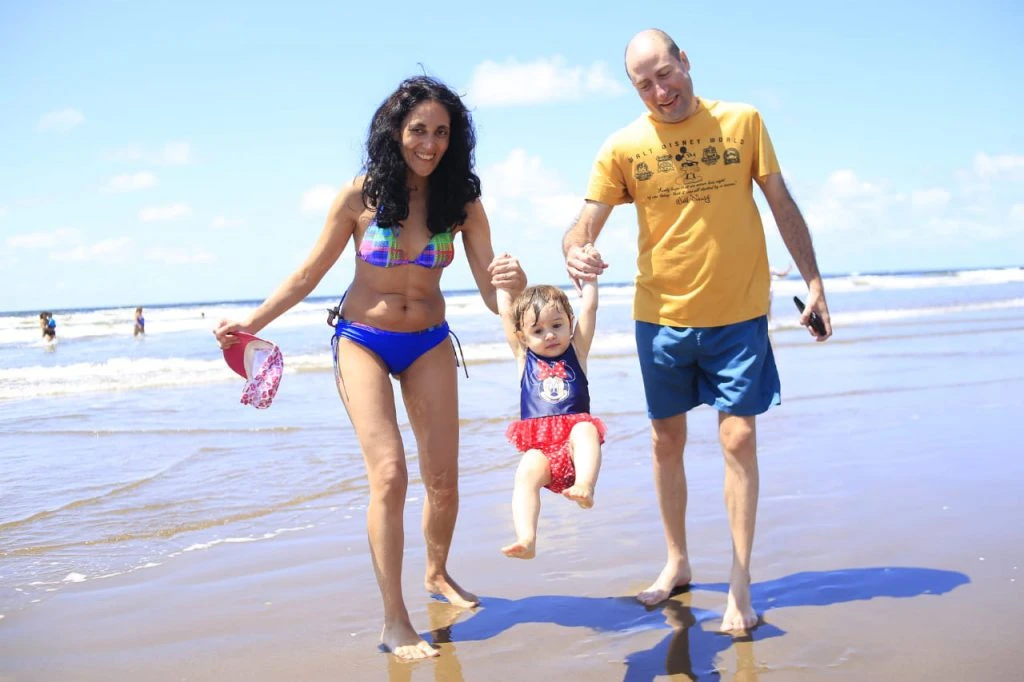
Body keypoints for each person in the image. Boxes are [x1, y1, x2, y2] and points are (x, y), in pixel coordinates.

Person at [213, 76, 526, 660]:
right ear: (394, 132)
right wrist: (250, 323)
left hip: (430, 341)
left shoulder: (462, 201)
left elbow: (493, 293)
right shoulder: (360, 196)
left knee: (444, 484)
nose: (429, 144)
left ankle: (436, 573)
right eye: (418, 131)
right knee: (388, 475)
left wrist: (516, 285)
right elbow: (307, 276)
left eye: (440, 132)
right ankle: (394, 620)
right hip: (362, 340)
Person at [563, 29, 832, 633]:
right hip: (660, 319)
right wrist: (577, 251)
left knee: (737, 439)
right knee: (666, 442)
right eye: (645, 83)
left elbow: (781, 204)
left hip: (738, 315)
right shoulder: (623, 146)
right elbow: (581, 228)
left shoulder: (743, 123)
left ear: (686, 61)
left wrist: (814, 281)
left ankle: (739, 585)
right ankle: (677, 560)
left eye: (666, 72)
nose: (661, 90)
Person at [497, 273, 606, 559]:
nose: (549, 335)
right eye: (538, 330)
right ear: (523, 337)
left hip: (575, 452)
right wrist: (501, 287)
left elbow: (590, 309)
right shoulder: (524, 358)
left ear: (570, 322)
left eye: (557, 325)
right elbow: (505, 314)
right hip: (543, 452)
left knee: (585, 428)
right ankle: (527, 538)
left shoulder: (577, 351)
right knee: (525, 474)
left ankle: (585, 486)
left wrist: (590, 282)